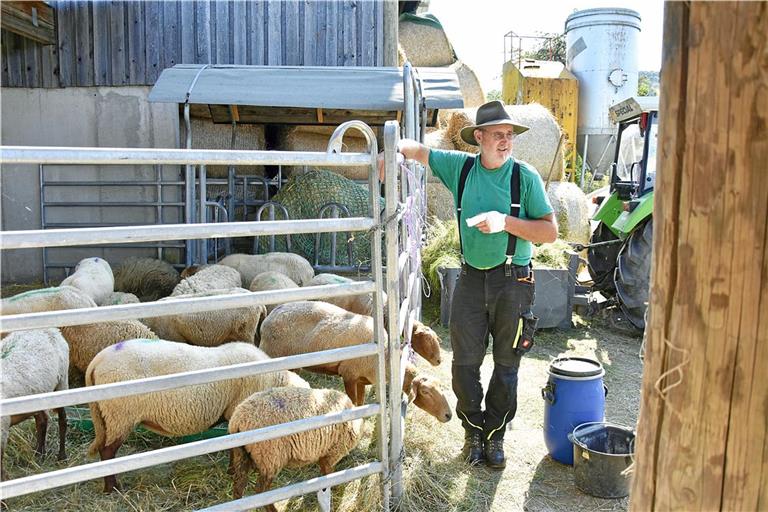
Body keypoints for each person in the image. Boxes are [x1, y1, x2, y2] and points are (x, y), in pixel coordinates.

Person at [378, 100, 557, 469]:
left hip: (514, 280)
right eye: (498, 135)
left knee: (507, 365)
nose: (506, 141)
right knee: (464, 365)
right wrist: (391, 151)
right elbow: (419, 150)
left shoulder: (525, 178)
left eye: (510, 135)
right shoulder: (460, 168)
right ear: (479, 137)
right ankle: (473, 431)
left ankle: (495, 437)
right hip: (472, 279)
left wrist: (505, 221)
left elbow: (550, 231)